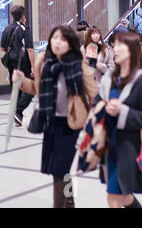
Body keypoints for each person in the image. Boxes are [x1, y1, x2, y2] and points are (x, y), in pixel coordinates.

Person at [12, 25, 97, 208]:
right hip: (51, 122)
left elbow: (95, 95)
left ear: (71, 44)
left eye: (63, 39)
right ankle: (70, 201)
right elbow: (38, 89)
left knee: (59, 169)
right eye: (55, 37)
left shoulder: (77, 65)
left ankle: (60, 205)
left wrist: (96, 122)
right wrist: (20, 81)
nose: (58, 42)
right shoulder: (44, 61)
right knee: (60, 171)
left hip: (72, 124)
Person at [94, 32, 142, 208]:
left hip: (129, 148)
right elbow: (96, 103)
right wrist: (102, 107)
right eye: (115, 45)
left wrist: (122, 111)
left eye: (120, 45)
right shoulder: (110, 78)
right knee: (123, 196)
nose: (115, 48)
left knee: (114, 198)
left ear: (131, 50)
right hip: (109, 145)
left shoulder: (141, 81)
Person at [0, 5, 35, 126]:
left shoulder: (6, 29)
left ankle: (17, 114)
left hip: (11, 63)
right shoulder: (24, 29)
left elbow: (2, 47)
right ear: (22, 16)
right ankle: (18, 111)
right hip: (23, 62)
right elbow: (30, 49)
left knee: (16, 88)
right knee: (32, 86)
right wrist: (33, 67)